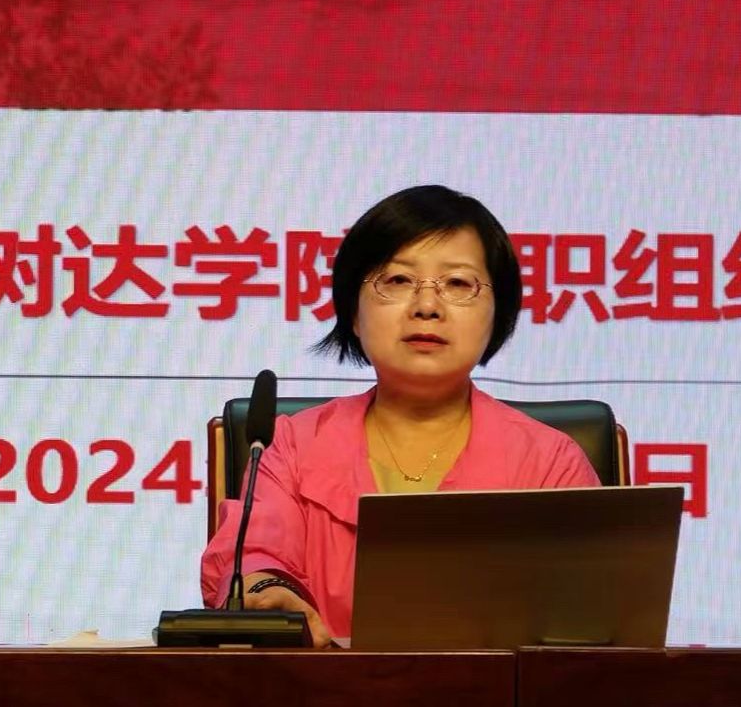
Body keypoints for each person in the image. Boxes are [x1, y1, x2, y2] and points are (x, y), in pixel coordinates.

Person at [200, 185, 600, 647]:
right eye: (397, 281)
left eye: (458, 284)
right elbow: (253, 557)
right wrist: (267, 594)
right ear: (353, 312)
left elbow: (591, 618)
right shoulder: (291, 445)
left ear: (498, 314)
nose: (426, 307)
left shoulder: (549, 463)